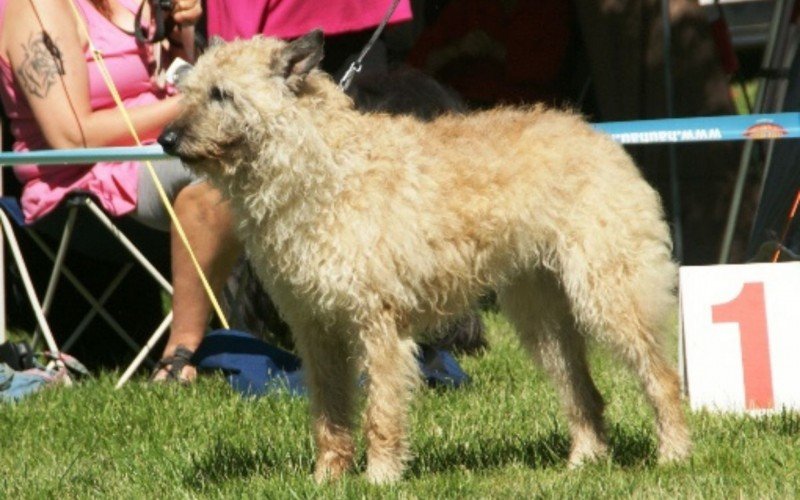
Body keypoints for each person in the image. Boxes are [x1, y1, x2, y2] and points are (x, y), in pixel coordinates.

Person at [0, 0, 241, 382]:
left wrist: (180, 37)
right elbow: (70, 139)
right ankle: (180, 356)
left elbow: (163, 83)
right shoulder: (39, 8)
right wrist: (196, 104)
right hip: (78, 186)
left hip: (152, 155)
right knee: (215, 167)